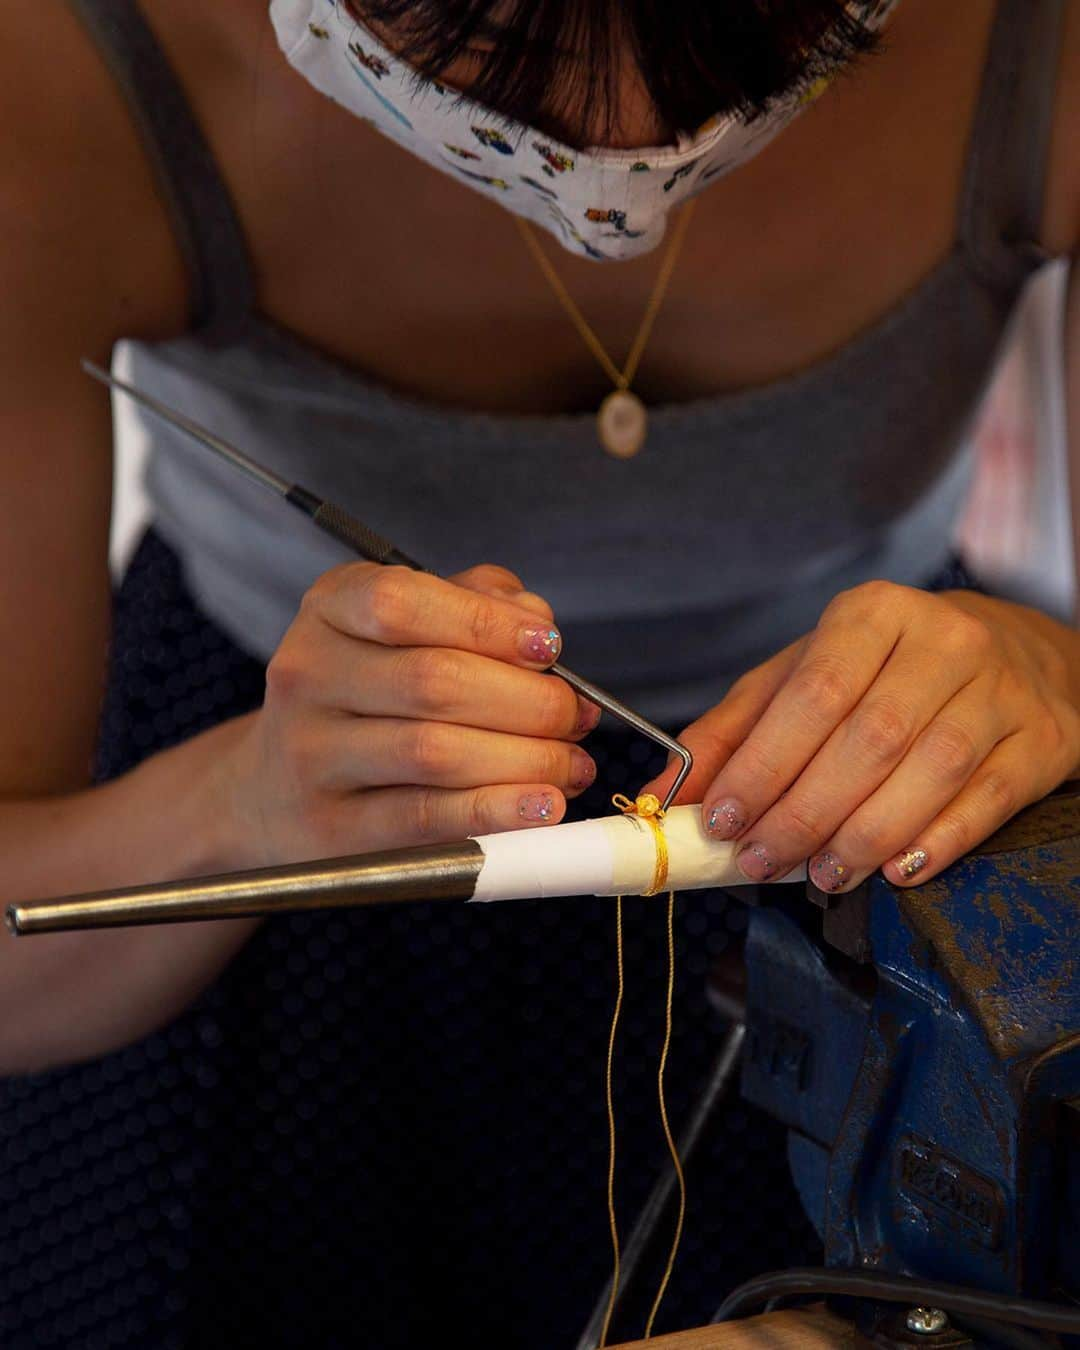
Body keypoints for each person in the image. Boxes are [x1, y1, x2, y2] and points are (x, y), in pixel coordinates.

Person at [1, 0, 1077, 1345]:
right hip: (242, 964)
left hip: (878, 864)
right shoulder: (63, 64)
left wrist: (1056, 669)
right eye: (493, 60)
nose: (621, 156)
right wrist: (250, 809)